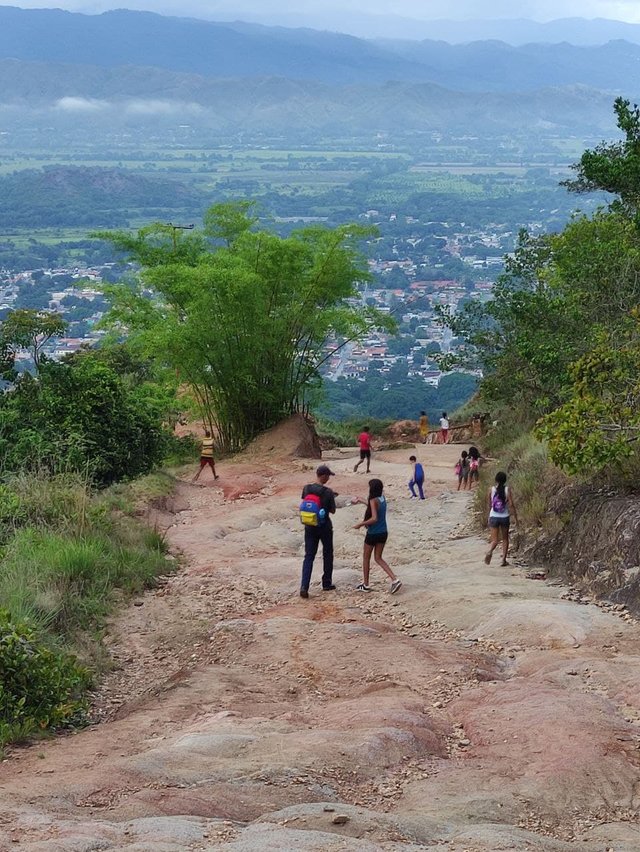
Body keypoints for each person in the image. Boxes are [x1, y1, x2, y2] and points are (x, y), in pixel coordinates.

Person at [353, 478, 401, 594]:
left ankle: (366, 584)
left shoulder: (373, 499)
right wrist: (361, 500)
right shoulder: (382, 498)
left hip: (373, 533)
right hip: (383, 532)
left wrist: (361, 524)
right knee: (378, 558)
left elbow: (374, 518)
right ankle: (395, 579)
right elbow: (375, 507)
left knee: (366, 558)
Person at [300, 464, 338, 598]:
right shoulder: (328, 492)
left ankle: (304, 586)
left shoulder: (306, 488)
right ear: (323, 476)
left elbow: (305, 503)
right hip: (324, 526)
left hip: (309, 525)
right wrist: (332, 498)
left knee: (309, 556)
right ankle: (326, 583)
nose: (328, 479)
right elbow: (332, 510)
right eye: (328, 476)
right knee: (328, 553)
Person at [485, 471, 519, 567]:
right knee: (505, 539)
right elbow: (511, 504)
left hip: (494, 516)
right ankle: (503, 560)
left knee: (494, 540)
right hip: (504, 517)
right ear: (505, 480)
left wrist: (488, 516)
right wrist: (515, 517)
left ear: (496, 479)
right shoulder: (507, 490)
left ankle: (490, 551)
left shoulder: (491, 489)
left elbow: (489, 504)